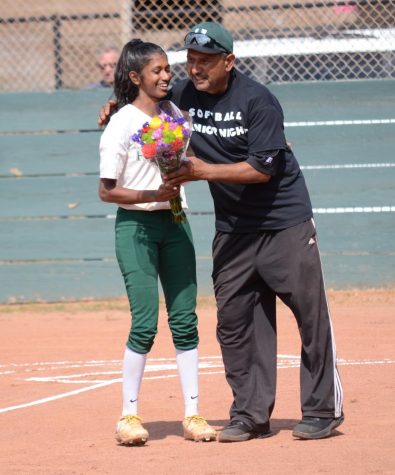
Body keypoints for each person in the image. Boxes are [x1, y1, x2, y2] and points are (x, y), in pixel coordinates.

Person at [98, 22, 344, 443]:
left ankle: (321, 409)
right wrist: (114, 103)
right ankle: (250, 414)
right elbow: (145, 99)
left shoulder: (259, 101)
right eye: (191, 60)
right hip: (233, 229)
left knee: (309, 314)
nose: (195, 69)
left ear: (228, 62)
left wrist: (201, 171)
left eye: (206, 61)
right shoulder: (184, 96)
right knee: (235, 320)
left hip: (283, 220)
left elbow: (262, 170)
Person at [99, 39, 216, 446]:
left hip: (176, 225)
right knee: (145, 323)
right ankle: (128, 416)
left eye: (168, 69)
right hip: (137, 229)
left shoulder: (175, 114)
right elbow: (107, 191)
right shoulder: (121, 123)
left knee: (186, 320)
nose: (167, 75)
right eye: (157, 71)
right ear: (136, 78)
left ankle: (194, 414)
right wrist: (154, 195)